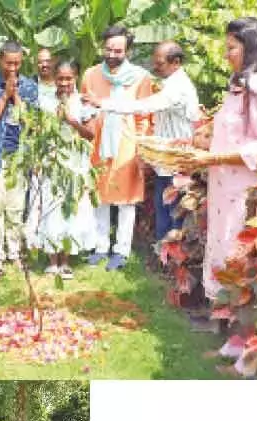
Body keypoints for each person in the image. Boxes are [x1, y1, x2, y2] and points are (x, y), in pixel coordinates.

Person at [169, 17, 257, 300]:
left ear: (251, 48)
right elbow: (232, 134)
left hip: (247, 191)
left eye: (232, 48)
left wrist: (213, 158)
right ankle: (224, 319)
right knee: (224, 248)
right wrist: (195, 144)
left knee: (239, 255)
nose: (226, 55)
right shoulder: (240, 85)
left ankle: (239, 332)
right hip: (226, 187)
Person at [83, 41, 202, 250]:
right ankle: (163, 253)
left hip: (178, 163)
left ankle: (169, 256)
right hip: (167, 161)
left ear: (176, 62)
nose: (155, 67)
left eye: (160, 63)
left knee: (173, 213)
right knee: (163, 208)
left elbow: (145, 106)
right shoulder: (171, 83)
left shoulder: (178, 88)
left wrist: (104, 103)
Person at [81, 25, 155, 272]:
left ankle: (121, 250)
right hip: (98, 144)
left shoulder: (141, 77)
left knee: (126, 200)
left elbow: (145, 116)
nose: (112, 55)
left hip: (127, 144)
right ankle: (100, 247)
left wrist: (141, 148)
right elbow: (84, 110)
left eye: (118, 51)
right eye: (109, 49)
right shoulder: (91, 75)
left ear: (128, 51)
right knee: (99, 197)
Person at [25, 59, 98, 279]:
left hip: (75, 164)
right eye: (60, 78)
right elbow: (36, 133)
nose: (64, 83)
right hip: (51, 161)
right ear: (54, 79)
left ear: (75, 77)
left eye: (68, 78)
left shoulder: (84, 103)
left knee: (71, 208)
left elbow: (90, 134)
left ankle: (66, 260)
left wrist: (70, 121)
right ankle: (52, 259)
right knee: (49, 206)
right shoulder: (45, 102)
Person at [0, 41, 39, 278]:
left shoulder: (30, 88)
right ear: (0, 60)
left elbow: (31, 124)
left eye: (17, 63)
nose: (13, 67)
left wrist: (17, 97)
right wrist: (5, 95)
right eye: (8, 63)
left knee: (16, 207)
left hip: (19, 156)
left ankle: (14, 253)